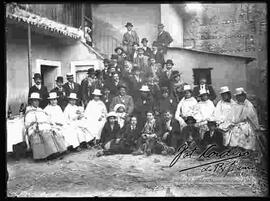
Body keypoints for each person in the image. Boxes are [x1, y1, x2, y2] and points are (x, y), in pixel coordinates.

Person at [24, 93, 66, 160]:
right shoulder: (29, 110)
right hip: (34, 127)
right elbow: (27, 123)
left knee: (52, 131)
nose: (36, 102)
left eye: (37, 101)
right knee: (44, 133)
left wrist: (50, 123)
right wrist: (35, 124)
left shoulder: (40, 110)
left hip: (43, 126)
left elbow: (46, 119)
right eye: (34, 101)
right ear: (31, 101)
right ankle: (48, 154)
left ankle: (56, 151)